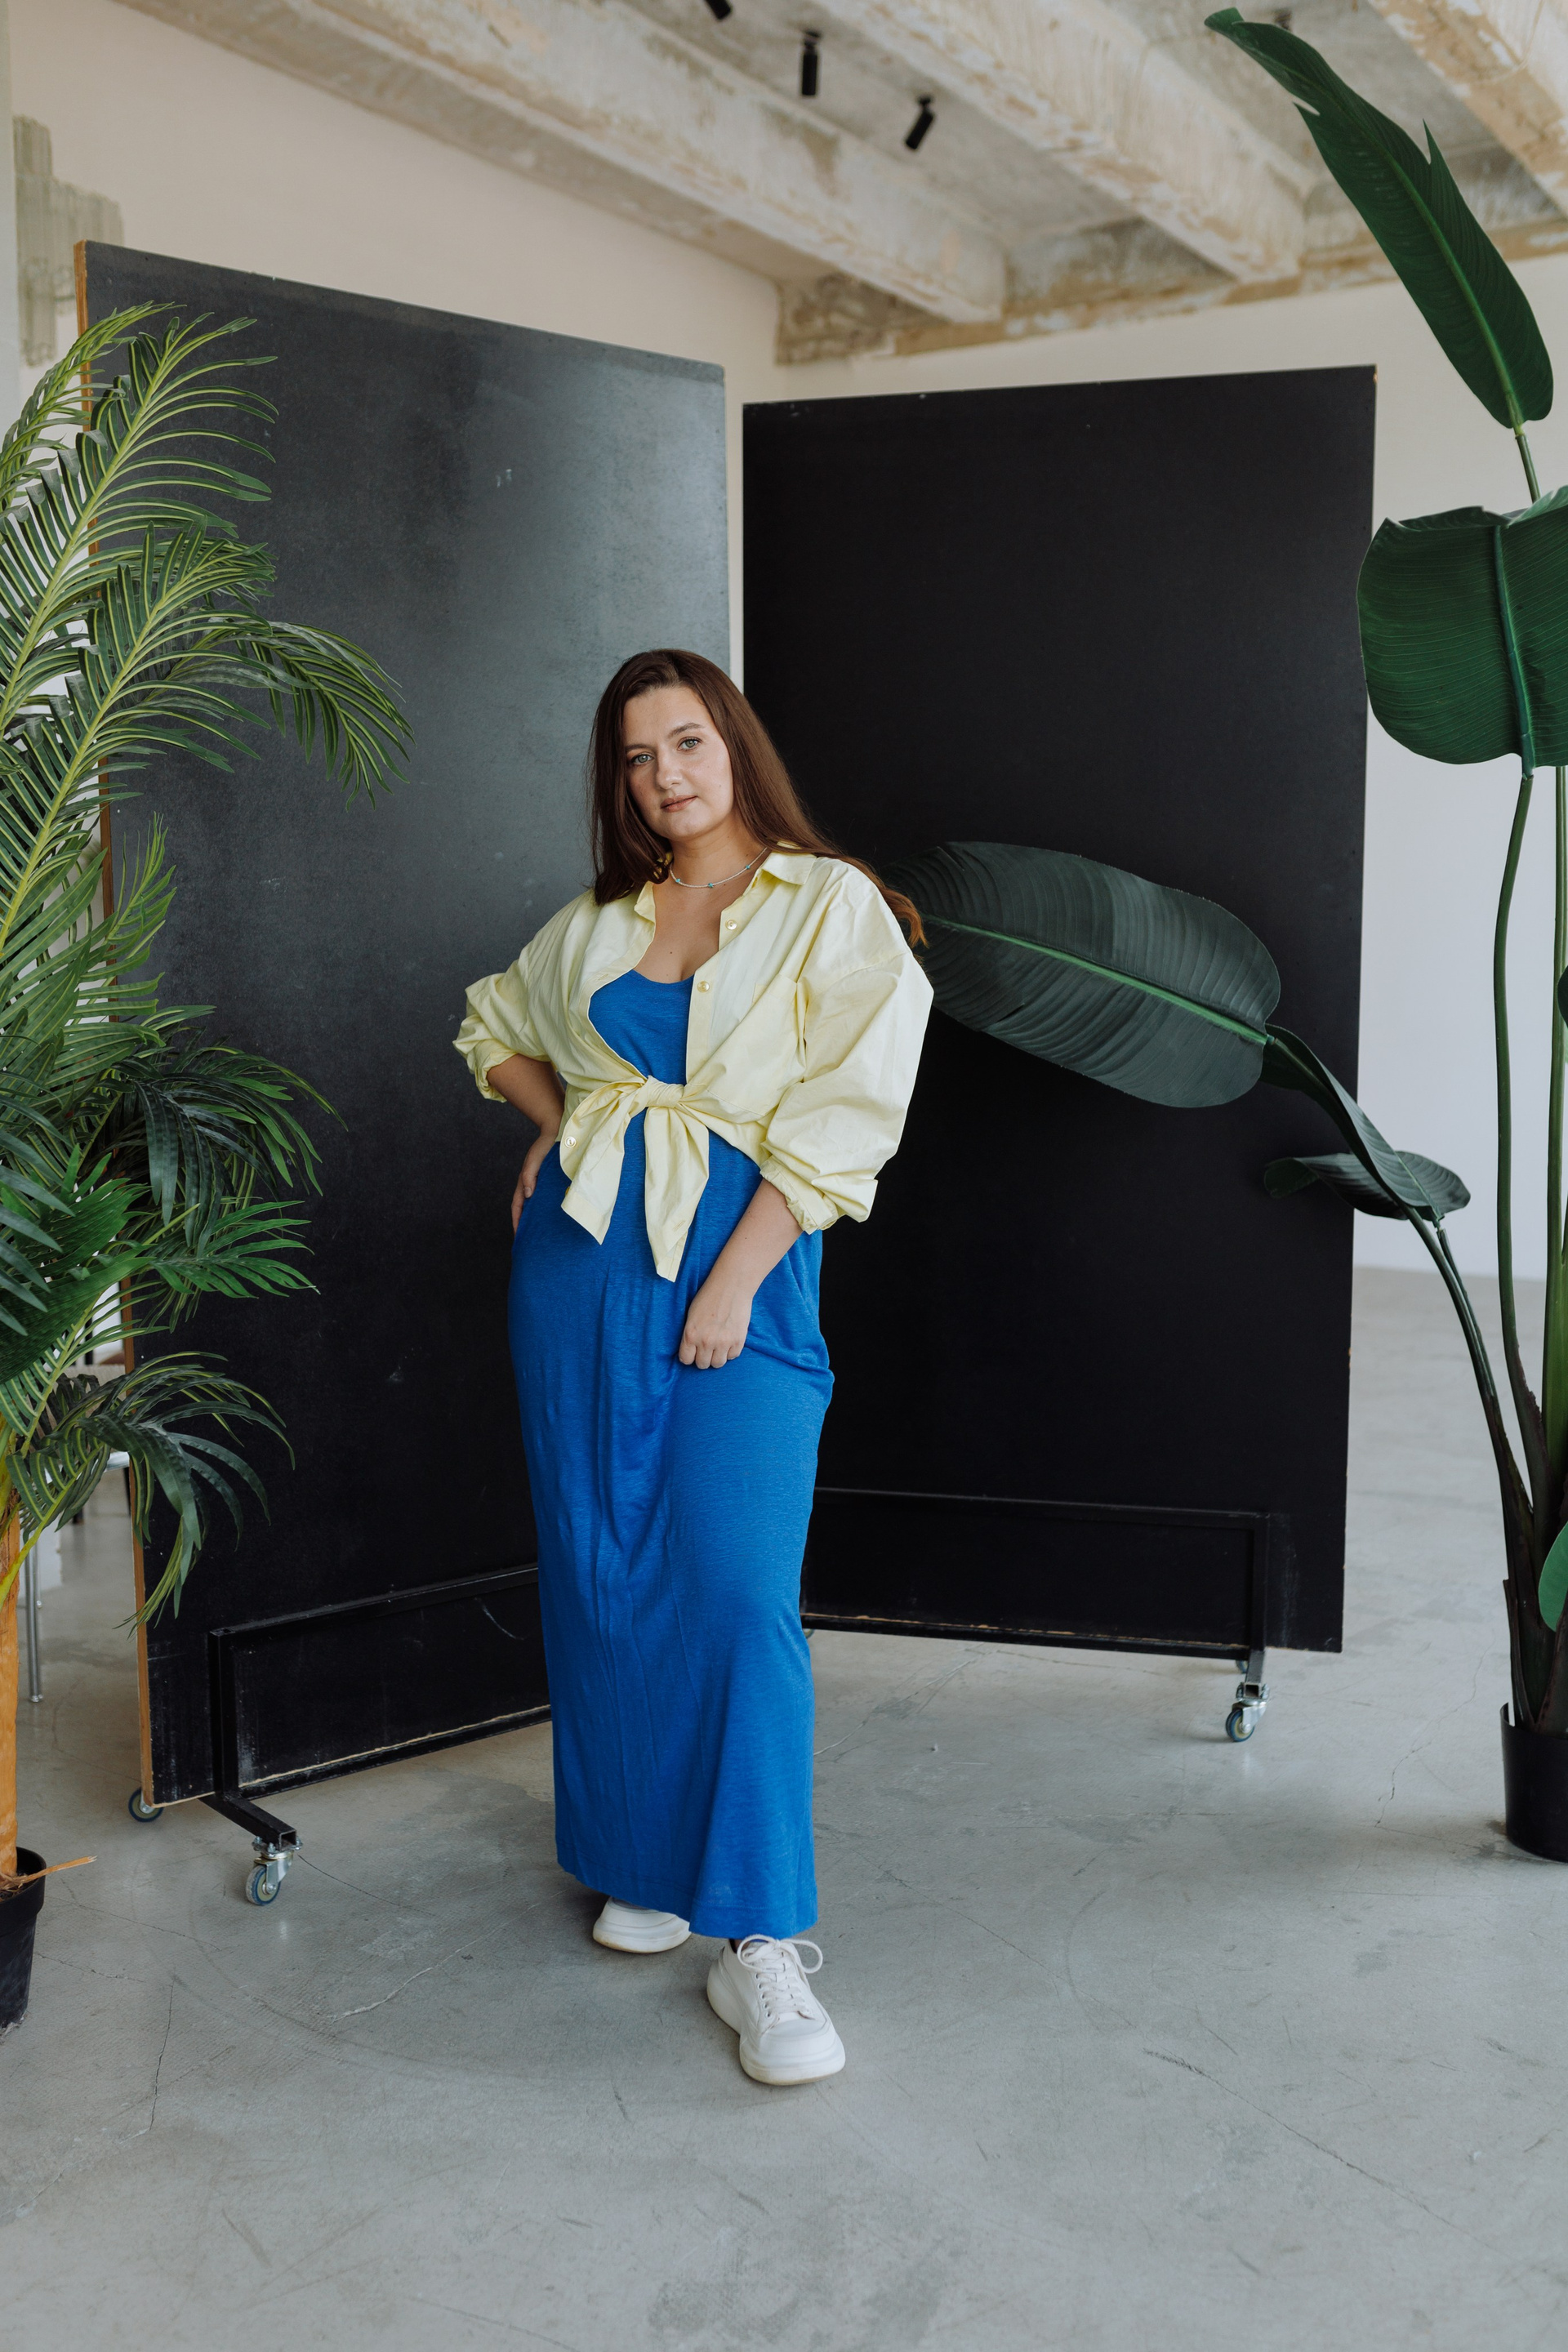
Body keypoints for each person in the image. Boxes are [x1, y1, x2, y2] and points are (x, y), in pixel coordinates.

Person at [455, 648, 931, 2086]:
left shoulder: (830, 904)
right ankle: (648, 1864)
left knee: (733, 1586)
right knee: (601, 1568)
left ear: (734, 745)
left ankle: (763, 1941)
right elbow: (490, 1024)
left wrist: (736, 1275)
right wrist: (560, 1119)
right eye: (636, 755)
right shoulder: (601, 921)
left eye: (687, 741)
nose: (665, 773)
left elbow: (851, 1112)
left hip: (742, 1268)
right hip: (580, 1273)